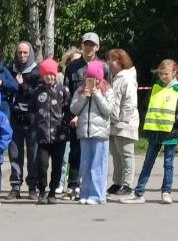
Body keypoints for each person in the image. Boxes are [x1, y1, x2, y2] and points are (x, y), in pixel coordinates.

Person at [123, 59, 178, 204]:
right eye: (161, 74)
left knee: (168, 164)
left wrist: (177, 121)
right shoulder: (155, 88)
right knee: (148, 163)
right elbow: (146, 106)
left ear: (174, 73)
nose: (163, 76)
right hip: (155, 132)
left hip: (170, 133)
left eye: (166, 74)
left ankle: (166, 192)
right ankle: (139, 193)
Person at [63, 32, 107, 198]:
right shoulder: (72, 66)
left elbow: (107, 91)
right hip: (78, 114)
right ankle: (73, 184)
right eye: (86, 44)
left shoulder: (103, 66)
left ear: (97, 47)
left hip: (96, 116)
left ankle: (94, 188)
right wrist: (72, 115)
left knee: (95, 156)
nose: (88, 48)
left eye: (92, 45)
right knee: (75, 152)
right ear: (82, 46)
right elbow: (67, 93)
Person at [70, 59, 112, 204]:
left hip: (100, 132)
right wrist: (84, 97)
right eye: (90, 78)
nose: (92, 81)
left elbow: (108, 111)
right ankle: (85, 193)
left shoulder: (107, 90)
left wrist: (98, 95)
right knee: (85, 165)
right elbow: (74, 109)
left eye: (95, 78)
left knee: (98, 165)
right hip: (84, 132)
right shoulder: (81, 90)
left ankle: (98, 196)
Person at [29, 58, 70, 205]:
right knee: (42, 164)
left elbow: (69, 110)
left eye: (52, 73)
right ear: (42, 75)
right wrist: (36, 126)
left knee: (57, 165)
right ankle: (42, 191)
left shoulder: (63, 90)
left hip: (59, 136)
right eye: (46, 74)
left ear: (55, 74)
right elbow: (31, 111)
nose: (49, 77)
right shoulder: (37, 92)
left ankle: (52, 192)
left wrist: (64, 124)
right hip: (43, 136)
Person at [105, 48, 139, 196]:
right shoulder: (114, 77)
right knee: (116, 155)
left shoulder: (127, 78)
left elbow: (130, 101)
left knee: (126, 154)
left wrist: (122, 119)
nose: (109, 63)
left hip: (124, 123)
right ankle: (117, 182)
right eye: (109, 59)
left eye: (112, 59)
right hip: (113, 123)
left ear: (121, 62)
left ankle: (127, 184)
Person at [7, 40, 39, 198]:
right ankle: (15, 186)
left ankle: (33, 187)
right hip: (15, 119)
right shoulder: (10, 70)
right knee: (14, 153)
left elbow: (38, 95)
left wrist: (22, 84)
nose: (22, 55)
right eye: (19, 52)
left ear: (30, 53)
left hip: (32, 120)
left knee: (33, 155)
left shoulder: (37, 72)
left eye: (25, 52)